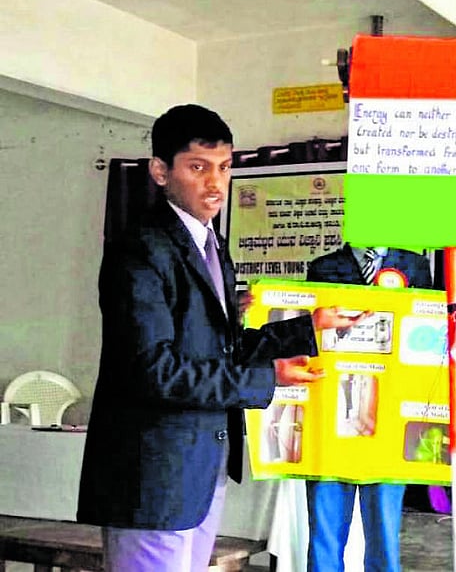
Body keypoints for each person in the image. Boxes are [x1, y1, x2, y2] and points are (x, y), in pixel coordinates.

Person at [77, 104, 362, 571]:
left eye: (225, 168)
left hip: (201, 466)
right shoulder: (141, 250)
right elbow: (156, 371)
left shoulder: (211, 246)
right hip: (153, 475)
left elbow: (223, 348)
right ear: (160, 171)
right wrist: (266, 379)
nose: (215, 184)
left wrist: (307, 328)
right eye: (198, 167)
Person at [304, 242, 432, 572]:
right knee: (325, 531)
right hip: (333, 413)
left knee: (385, 535)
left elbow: (431, 332)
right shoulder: (323, 267)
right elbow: (310, 336)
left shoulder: (415, 265)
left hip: (388, 417)